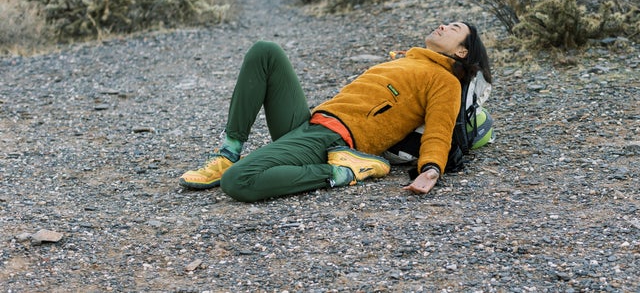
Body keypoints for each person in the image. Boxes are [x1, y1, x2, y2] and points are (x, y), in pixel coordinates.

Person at [179, 22, 492, 202]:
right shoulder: (405, 60)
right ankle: (227, 152)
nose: (442, 26)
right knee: (266, 51)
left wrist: (432, 170)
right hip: (312, 122)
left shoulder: (444, 80)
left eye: (453, 29)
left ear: (461, 51)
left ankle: (347, 170)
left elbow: (440, 130)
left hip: (334, 139)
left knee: (238, 181)